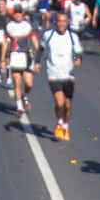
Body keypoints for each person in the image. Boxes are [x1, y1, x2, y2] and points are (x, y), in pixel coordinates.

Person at [42, 11, 83, 140]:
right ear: (56, 22)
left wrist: (78, 59)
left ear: (67, 23)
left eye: (64, 21)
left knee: (68, 105)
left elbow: (78, 51)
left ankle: (65, 125)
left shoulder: (73, 37)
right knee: (59, 103)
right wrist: (36, 63)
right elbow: (40, 48)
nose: (61, 24)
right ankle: (59, 121)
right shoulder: (48, 35)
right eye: (59, 21)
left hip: (68, 75)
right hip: (53, 74)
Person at [2, 4, 39, 114]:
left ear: (22, 13)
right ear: (13, 14)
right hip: (15, 56)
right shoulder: (9, 26)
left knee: (29, 84)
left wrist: (39, 52)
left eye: (19, 12)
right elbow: (5, 43)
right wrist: (3, 59)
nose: (18, 15)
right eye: (16, 13)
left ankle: (25, 96)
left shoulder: (27, 25)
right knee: (17, 82)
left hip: (27, 56)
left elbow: (34, 40)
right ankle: (19, 107)